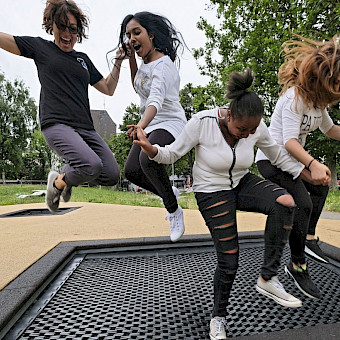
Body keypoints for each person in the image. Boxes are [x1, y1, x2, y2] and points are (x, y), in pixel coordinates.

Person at [130, 69, 304, 340]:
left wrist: (308, 168)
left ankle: (268, 278)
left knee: (285, 201)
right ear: (229, 115)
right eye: (242, 129)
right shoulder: (203, 122)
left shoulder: (256, 128)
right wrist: (150, 149)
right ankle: (218, 318)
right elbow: (172, 153)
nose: (247, 135)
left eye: (253, 130)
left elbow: (278, 156)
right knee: (230, 260)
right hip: (211, 190)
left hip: (241, 181)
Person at [0, 0, 121, 212]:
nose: (67, 34)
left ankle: (63, 176)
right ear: (52, 26)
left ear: (78, 32)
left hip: (86, 128)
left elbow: (108, 88)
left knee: (111, 174)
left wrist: (119, 62)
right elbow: (8, 41)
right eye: (61, 27)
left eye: (72, 29)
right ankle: (57, 185)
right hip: (56, 124)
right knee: (91, 165)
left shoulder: (82, 59)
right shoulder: (41, 48)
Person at [256, 35, 340, 300]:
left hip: (290, 161)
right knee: (301, 203)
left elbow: (330, 129)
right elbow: (290, 142)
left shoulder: (317, 103)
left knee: (321, 185)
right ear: (323, 80)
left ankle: (309, 237)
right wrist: (312, 164)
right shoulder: (295, 99)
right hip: (272, 161)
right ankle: (297, 265)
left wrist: (314, 170)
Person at [115, 12, 187, 242]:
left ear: (152, 35)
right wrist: (131, 61)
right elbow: (139, 85)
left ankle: (173, 210)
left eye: (137, 32)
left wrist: (140, 126)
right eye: (128, 35)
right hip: (150, 124)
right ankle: (170, 194)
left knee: (147, 160)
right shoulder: (145, 63)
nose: (131, 38)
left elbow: (155, 100)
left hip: (170, 123)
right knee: (132, 171)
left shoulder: (164, 65)